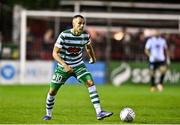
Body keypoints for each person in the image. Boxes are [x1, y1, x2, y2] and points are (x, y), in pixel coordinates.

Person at [43, 15, 113, 120]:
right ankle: (48, 115)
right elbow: (54, 53)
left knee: (90, 83)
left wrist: (93, 58)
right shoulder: (64, 35)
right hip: (63, 67)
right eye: (79, 23)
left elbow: (88, 47)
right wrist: (64, 65)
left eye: (83, 23)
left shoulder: (85, 36)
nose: (82, 25)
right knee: (52, 91)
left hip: (78, 65)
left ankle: (99, 112)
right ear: (73, 24)